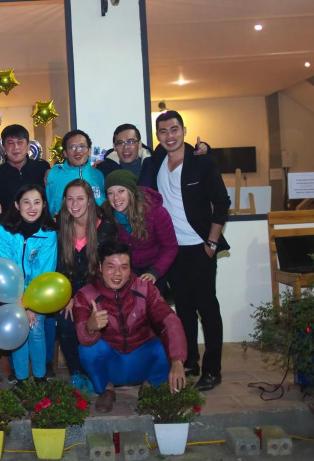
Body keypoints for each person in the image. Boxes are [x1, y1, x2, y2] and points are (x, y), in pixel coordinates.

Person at [140, 110, 230, 391]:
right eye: (163, 131)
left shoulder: (202, 162)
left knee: (207, 309)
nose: (169, 136)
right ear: (157, 136)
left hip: (199, 248)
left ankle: (213, 370)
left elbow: (222, 203)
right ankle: (191, 361)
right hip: (171, 250)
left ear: (184, 130)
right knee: (184, 310)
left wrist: (212, 243)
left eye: (174, 129)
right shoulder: (157, 160)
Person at [73, 242, 187, 413]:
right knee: (87, 349)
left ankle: (150, 387)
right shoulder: (85, 295)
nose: (117, 274)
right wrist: (90, 327)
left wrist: (177, 360)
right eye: (111, 267)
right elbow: (82, 336)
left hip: (142, 360)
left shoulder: (145, 288)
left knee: (168, 343)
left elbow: (169, 320)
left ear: (130, 268)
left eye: (124, 267)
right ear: (100, 267)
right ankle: (106, 390)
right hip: (112, 365)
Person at [56, 179, 117, 392]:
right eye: (70, 199)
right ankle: (76, 372)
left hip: (97, 289)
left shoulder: (106, 228)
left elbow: (106, 271)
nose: (75, 204)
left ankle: (93, 372)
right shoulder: (60, 227)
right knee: (65, 321)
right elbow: (60, 268)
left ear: (90, 200)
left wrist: (80, 298)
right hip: (68, 289)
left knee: (95, 322)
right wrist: (67, 297)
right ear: (64, 201)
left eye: (80, 198)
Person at [0, 183, 58, 385]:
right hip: (11, 293)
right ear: (17, 205)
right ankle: (21, 379)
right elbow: (5, 268)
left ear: (44, 205)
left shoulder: (49, 233)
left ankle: (40, 377)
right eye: (26, 202)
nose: (32, 207)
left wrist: (30, 304)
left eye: (37, 202)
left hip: (38, 293)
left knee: (36, 328)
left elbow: (45, 272)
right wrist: (20, 302)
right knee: (19, 329)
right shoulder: (4, 231)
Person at [100, 169, 177, 294]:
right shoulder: (107, 215)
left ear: (131, 191)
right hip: (126, 270)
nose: (116, 197)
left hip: (155, 267)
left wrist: (155, 272)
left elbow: (170, 247)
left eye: (121, 191)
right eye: (110, 193)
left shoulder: (156, 212)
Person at [96, 123, 210, 183]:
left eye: (131, 141)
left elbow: (176, 149)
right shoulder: (104, 169)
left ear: (139, 144)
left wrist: (204, 148)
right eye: (120, 143)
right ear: (115, 147)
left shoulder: (155, 163)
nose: (126, 147)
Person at [0, 124, 50, 210]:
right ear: (3, 147)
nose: (15, 147)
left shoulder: (42, 168)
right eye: (10, 143)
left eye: (20, 142)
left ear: (28, 145)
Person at [46, 130, 106, 216]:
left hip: (96, 223)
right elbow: (49, 203)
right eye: (72, 147)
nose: (78, 151)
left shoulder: (99, 174)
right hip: (63, 222)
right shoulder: (54, 173)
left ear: (89, 150)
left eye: (82, 146)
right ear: (65, 153)